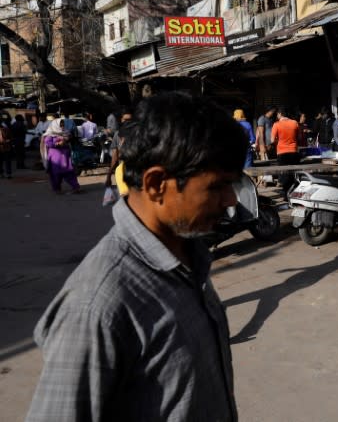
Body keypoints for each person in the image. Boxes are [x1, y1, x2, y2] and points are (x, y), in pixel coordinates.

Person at [26, 92, 245, 422]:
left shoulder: (188, 254)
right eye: (217, 187)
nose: (230, 200)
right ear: (156, 183)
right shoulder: (96, 305)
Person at [43, 118, 81, 194]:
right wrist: (57, 144)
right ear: (56, 125)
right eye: (61, 124)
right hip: (55, 157)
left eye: (63, 124)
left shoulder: (65, 132)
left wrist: (66, 140)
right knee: (55, 173)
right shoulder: (50, 133)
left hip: (65, 156)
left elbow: (70, 139)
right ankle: (57, 188)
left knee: (69, 171)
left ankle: (75, 187)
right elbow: (47, 143)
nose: (62, 126)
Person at [271, 108, 302, 196]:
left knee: (284, 174)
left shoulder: (276, 124)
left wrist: (280, 141)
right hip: (293, 151)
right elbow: (299, 138)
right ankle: (294, 193)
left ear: (280, 114)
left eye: (277, 114)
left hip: (282, 152)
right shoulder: (295, 123)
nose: (277, 116)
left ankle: (286, 194)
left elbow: (272, 140)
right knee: (293, 174)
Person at [104, 110, 133, 190]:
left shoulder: (139, 133)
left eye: (129, 120)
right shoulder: (118, 134)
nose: (127, 123)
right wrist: (109, 176)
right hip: (123, 172)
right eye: (125, 120)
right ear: (121, 120)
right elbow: (115, 156)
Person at [0, 114, 13, 178]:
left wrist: (7, 141)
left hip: (6, 147)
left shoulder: (6, 128)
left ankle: (8, 174)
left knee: (7, 161)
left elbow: (10, 138)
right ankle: (1, 173)